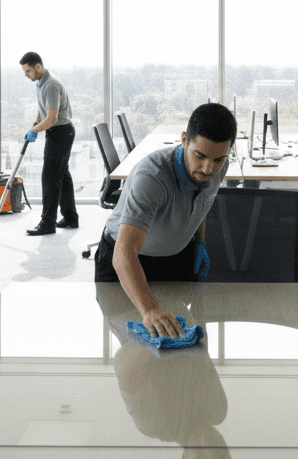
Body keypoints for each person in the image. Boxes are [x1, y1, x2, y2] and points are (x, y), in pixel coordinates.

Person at [94, 103, 236, 339]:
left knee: (176, 344)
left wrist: (199, 243)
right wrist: (149, 310)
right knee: (136, 352)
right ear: (184, 140)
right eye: (199, 156)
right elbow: (125, 254)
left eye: (218, 159)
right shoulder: (152, 178)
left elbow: (201, 202)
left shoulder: (219, 165)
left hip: (173, 259)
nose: (208, 168)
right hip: (126, 262)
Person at [20, 52, 78, 236]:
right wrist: (36, 124)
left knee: (50, 179)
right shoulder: (40, 81)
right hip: (59, 131)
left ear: (38, 66)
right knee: (63, 175)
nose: (26, 74)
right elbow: (42, 107)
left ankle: (47, 223)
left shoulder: (51, 85)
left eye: (28, 70)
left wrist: (34, 131)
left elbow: (52, 118)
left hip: (60, 132)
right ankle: (70, 218)